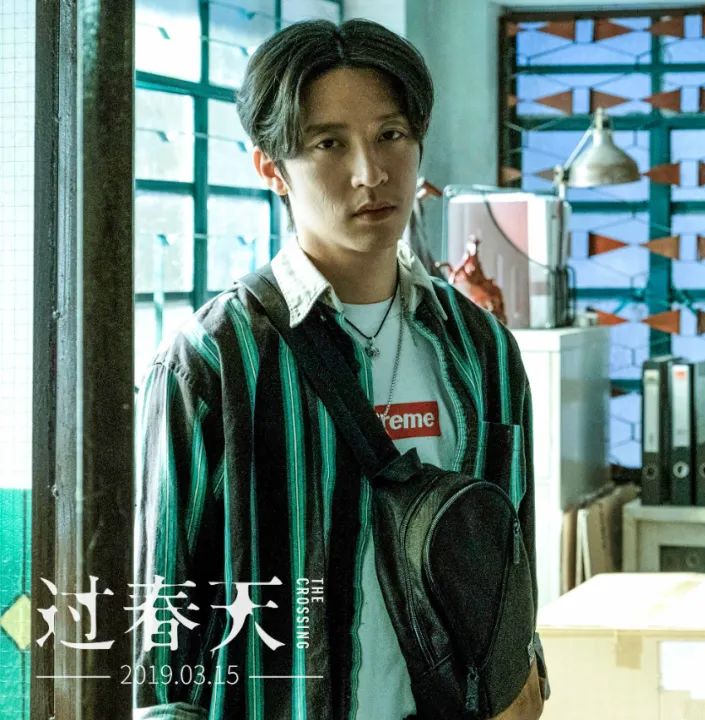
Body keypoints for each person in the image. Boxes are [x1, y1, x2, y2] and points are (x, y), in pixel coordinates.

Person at [133, 18, 546, 719]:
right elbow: (161, 619)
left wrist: (522, 673)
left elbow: (509, 559)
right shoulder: (212, 361)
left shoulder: (482, 349)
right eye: (329, 144)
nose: (370, 173)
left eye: (391, 135)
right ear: (271, 168)